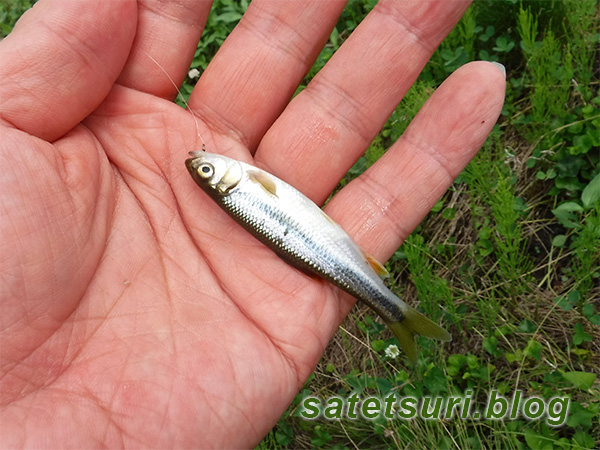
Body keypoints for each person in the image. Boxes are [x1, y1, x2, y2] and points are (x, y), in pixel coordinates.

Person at [0, 0, 505, 447]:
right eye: (204, 169)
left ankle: (397, 312)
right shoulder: (240, 184)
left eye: (202, 168)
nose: (202, 162)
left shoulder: (237, 187)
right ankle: (397, 311)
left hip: (315, 248)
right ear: (218, 180)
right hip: (321, 249)